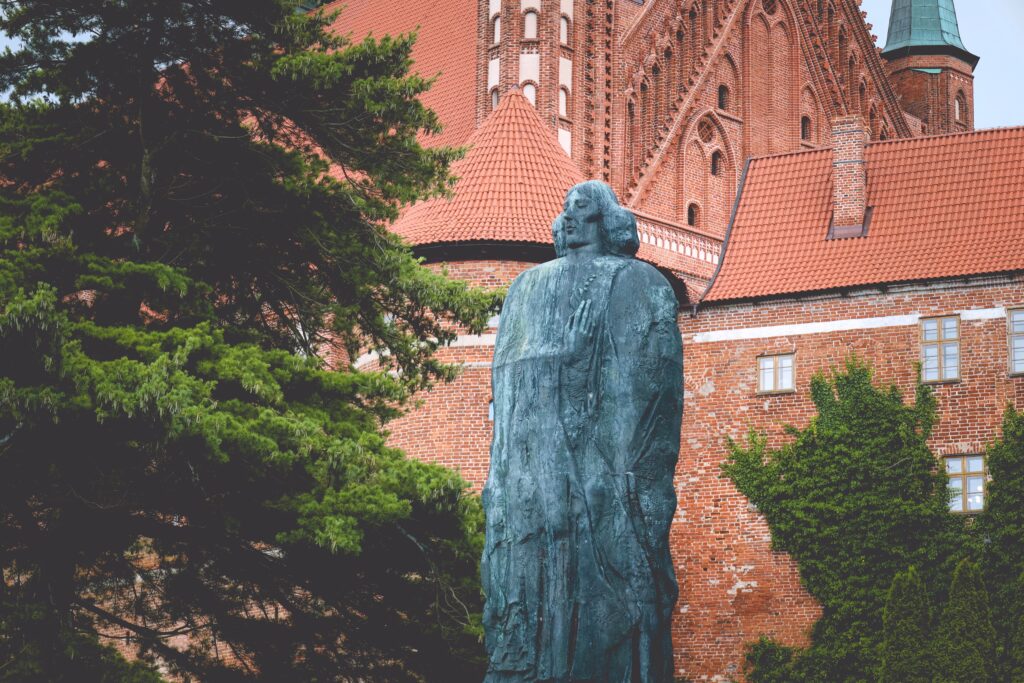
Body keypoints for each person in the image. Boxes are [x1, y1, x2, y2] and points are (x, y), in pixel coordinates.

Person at [482, 180, 683, 682]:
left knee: (614, 584)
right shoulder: (527, 288)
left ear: (606, 220)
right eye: (565, 211)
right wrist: (566, 361)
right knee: (534, 578)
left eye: (582, 209)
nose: (568, 218)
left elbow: (653, 385)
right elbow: (506, 379)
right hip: (537, 464)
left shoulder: (641, 282)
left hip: (609, 464)